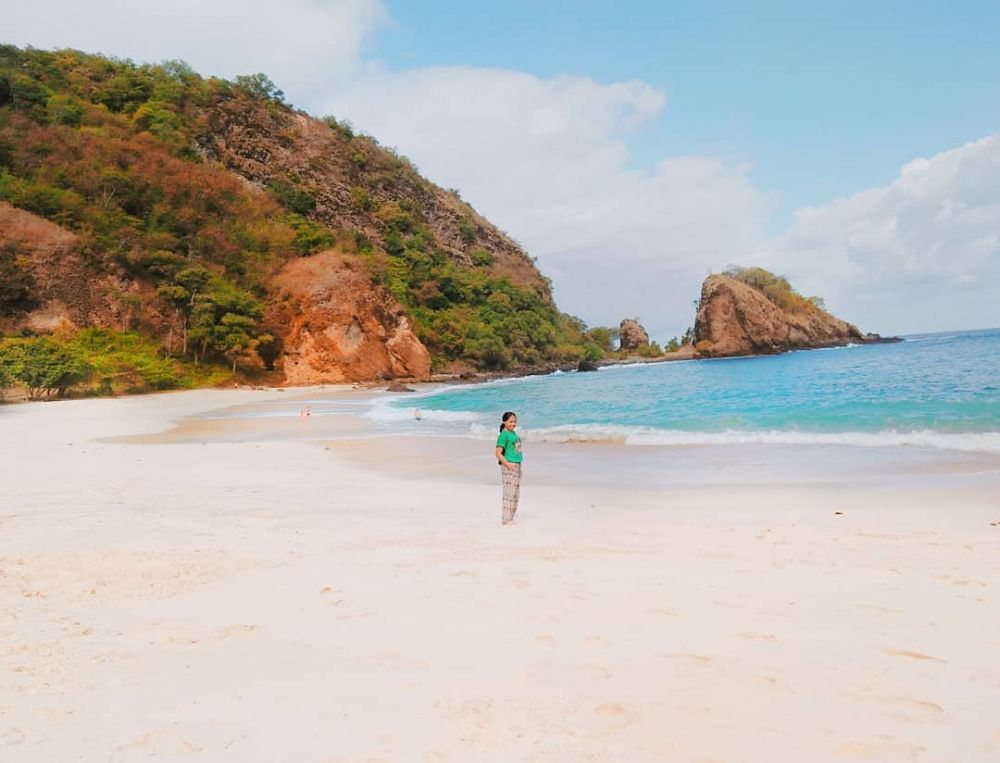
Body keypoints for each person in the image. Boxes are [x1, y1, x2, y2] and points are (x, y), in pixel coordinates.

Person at [495, 411, 523, 525]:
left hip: (517, 464)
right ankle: (506, 519)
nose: (513, 423)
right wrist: (508, 464)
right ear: (504, 422)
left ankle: (511, 517)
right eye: (511, 421)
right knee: (509, 493)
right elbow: (498, 453)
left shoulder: (513, 433)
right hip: (509, 465)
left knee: (516, 493)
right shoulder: (503, 435)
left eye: (515, 421)